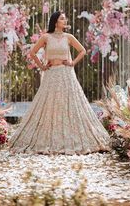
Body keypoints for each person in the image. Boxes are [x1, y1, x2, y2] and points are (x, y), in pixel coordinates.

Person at [8, 11, 111, 155]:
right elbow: (32, 53)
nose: (65, 20)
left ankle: (73, 138)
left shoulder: (68, 37)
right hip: (51, 74)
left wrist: (72, 62)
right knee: (49, 104)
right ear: (55, 22)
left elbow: (82, 51)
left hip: (66, 73)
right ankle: (48, 138)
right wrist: (42, 67)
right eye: (62, 18)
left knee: (70, 104)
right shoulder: (46, 37)